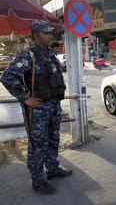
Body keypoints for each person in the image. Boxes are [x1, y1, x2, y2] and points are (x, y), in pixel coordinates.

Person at [0, 20, 72, 195]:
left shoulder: (50, 55)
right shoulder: (28, 56)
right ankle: (38, 180)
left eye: (50, 33)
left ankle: (52, 168)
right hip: (38, 109)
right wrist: (25, 98)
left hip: (53, 106)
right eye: (46, 33)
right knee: (37, 145)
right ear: (37, 34)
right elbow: (7, 77)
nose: (50, 35)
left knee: (53, 139)